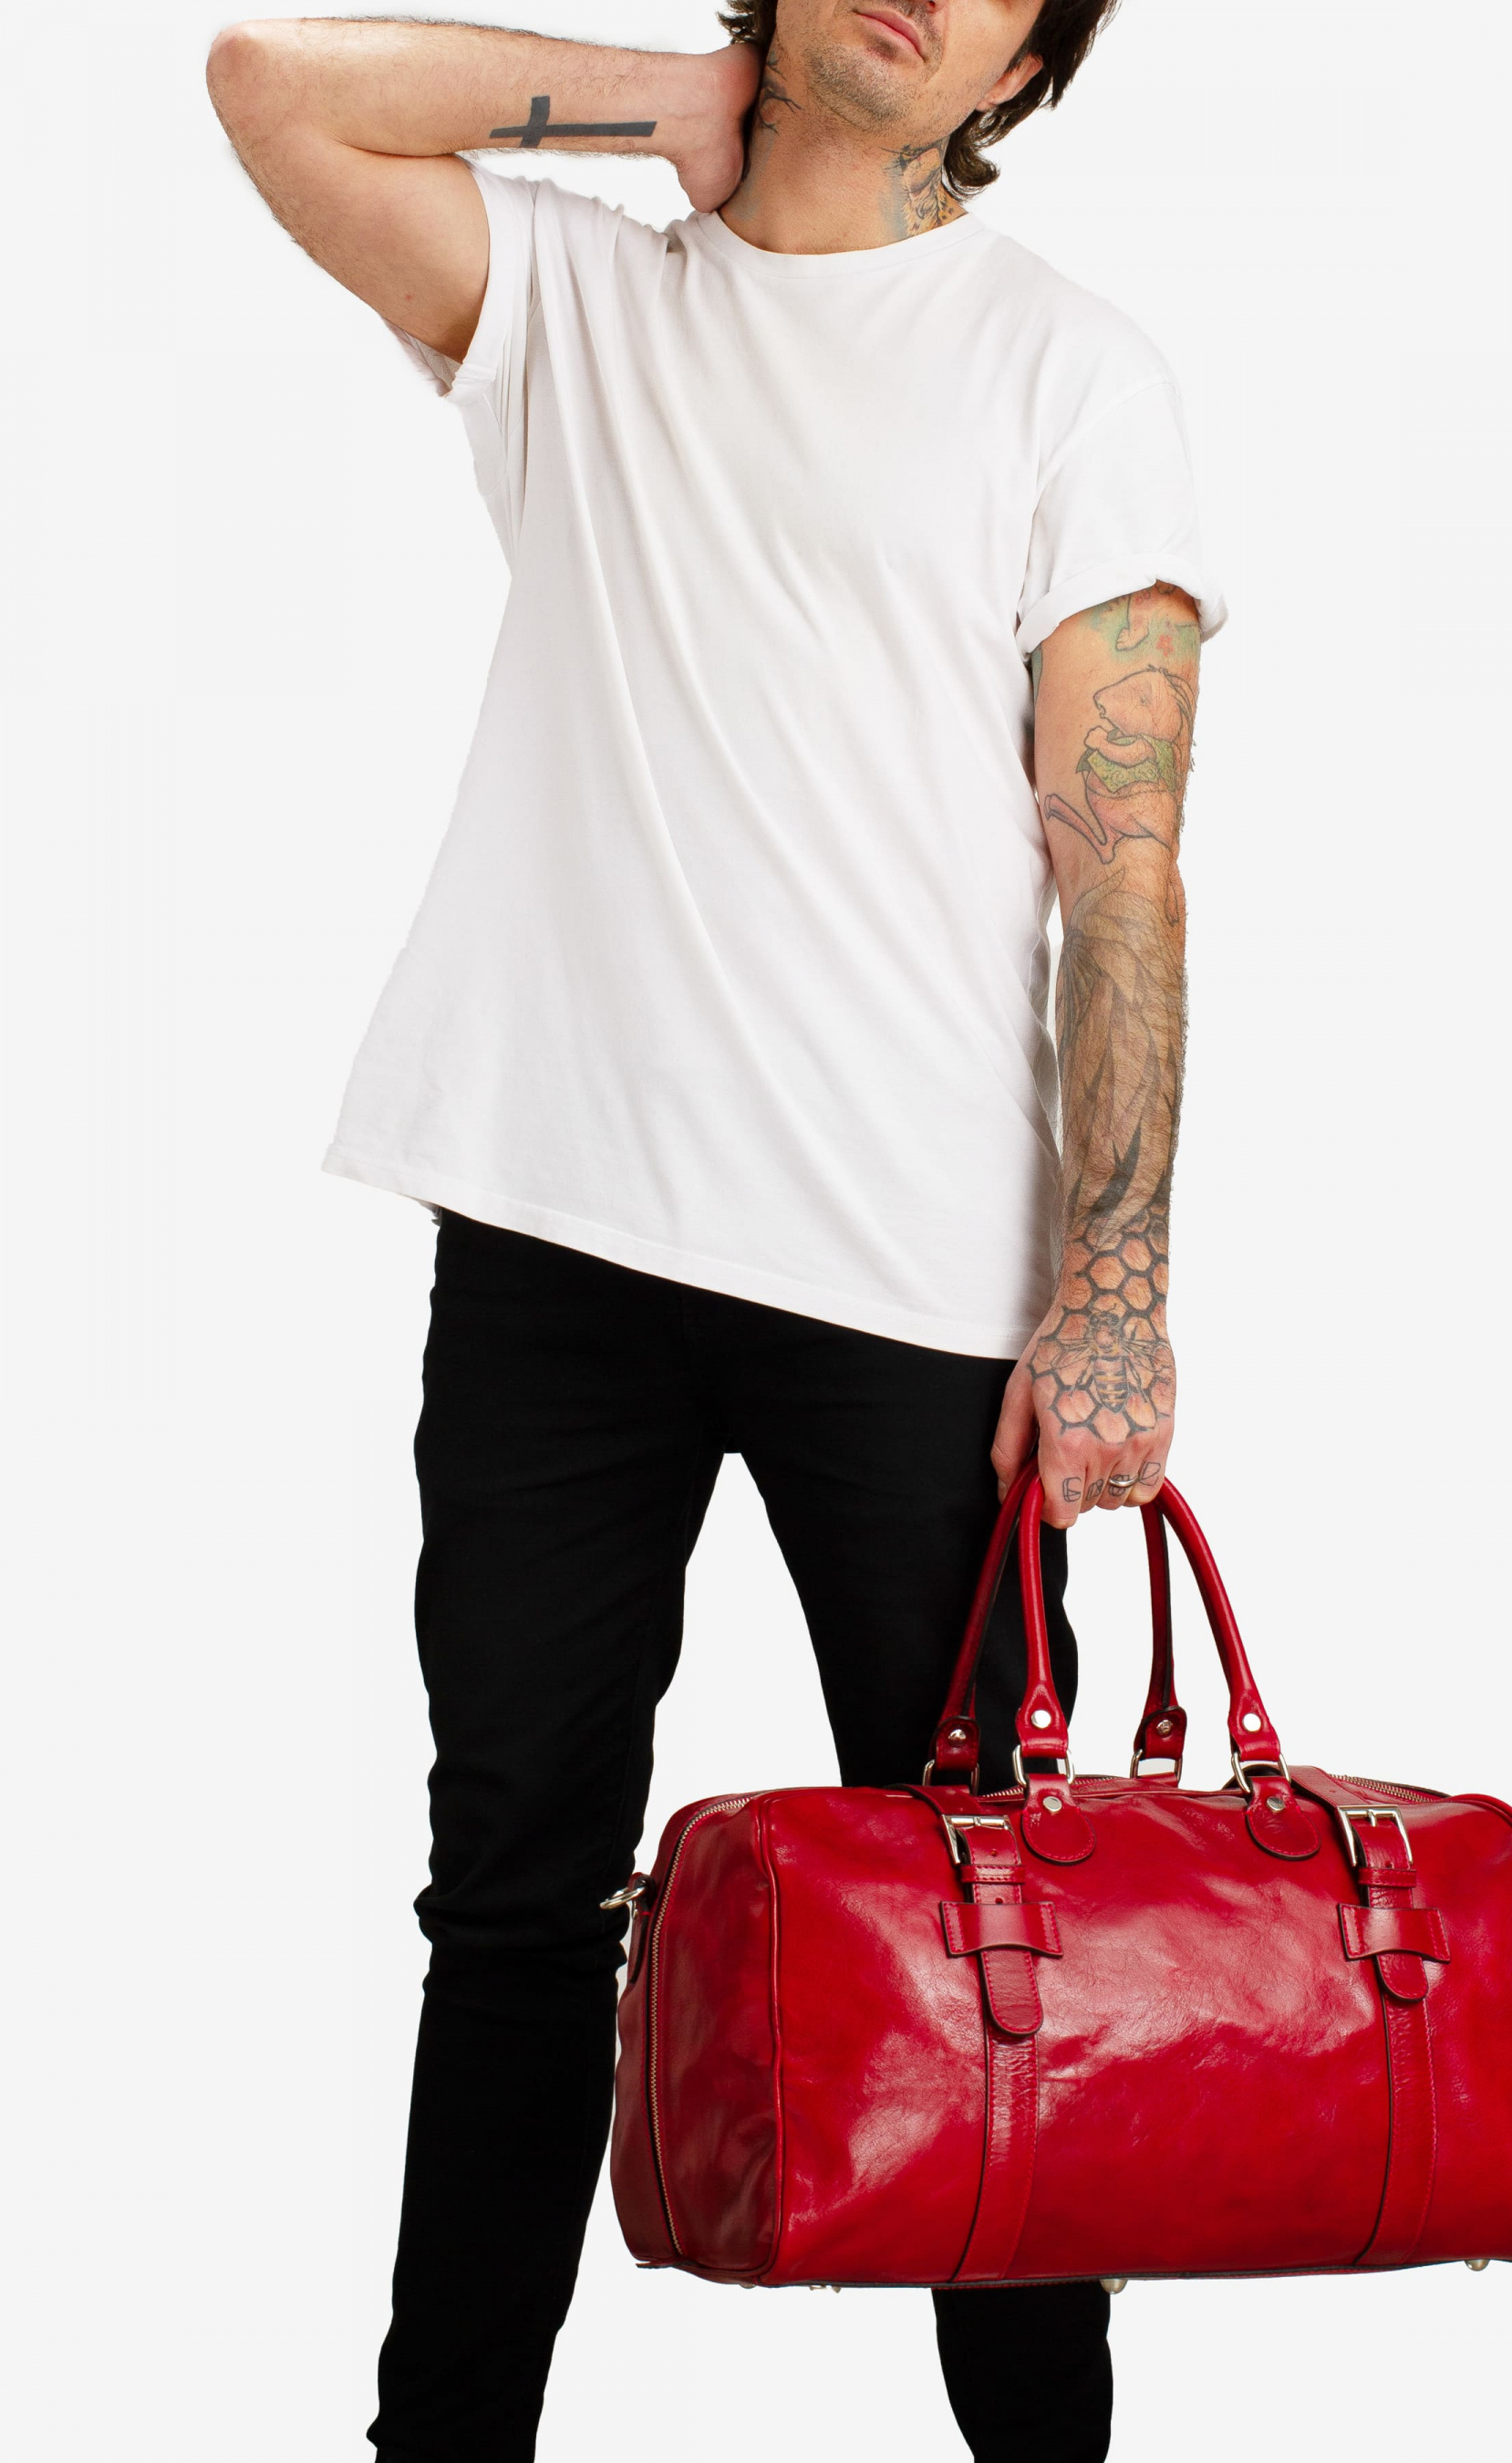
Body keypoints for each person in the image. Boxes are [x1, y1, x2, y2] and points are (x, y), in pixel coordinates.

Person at [206, 5, 1221, 2458]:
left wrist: (1111, 1288)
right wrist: (684, 103)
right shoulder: (582, 307)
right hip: (556, 1245)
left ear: (1026, 69)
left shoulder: (1066, 370)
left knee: (995, 1916)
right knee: (511, 1905)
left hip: (916, 1289)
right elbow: (268, 84)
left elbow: (1124, 867)